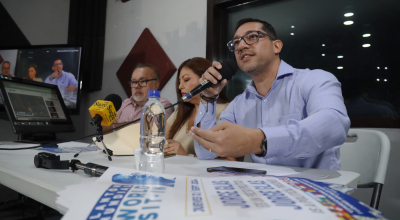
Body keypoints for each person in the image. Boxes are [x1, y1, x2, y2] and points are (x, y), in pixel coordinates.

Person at [190, 18, 350, 170]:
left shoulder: (313, 80)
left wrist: (257, 140)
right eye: (236, 42)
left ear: (277, 46)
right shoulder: (239, 104)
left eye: (252, 37)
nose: (240, 46)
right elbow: (206, 152)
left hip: (317, 191)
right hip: (264, 190)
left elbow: (334, 124)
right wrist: (208, 98)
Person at [164, 57, 229, 156]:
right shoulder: (181, 112)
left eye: (186, 80)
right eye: (179, 81)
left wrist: (185, 156)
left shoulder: (226, 110)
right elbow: (162, 141)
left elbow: (232, 161)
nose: (180, 86)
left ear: (205, 80)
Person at [103, 63, 174, 131]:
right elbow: (104, 129)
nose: (137, 86)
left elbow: (152, 132)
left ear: (156, 84)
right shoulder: (123, 104)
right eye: (133, 82)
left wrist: (117, 126)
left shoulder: (163, 105)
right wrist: (127, 126)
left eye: (142, 81)